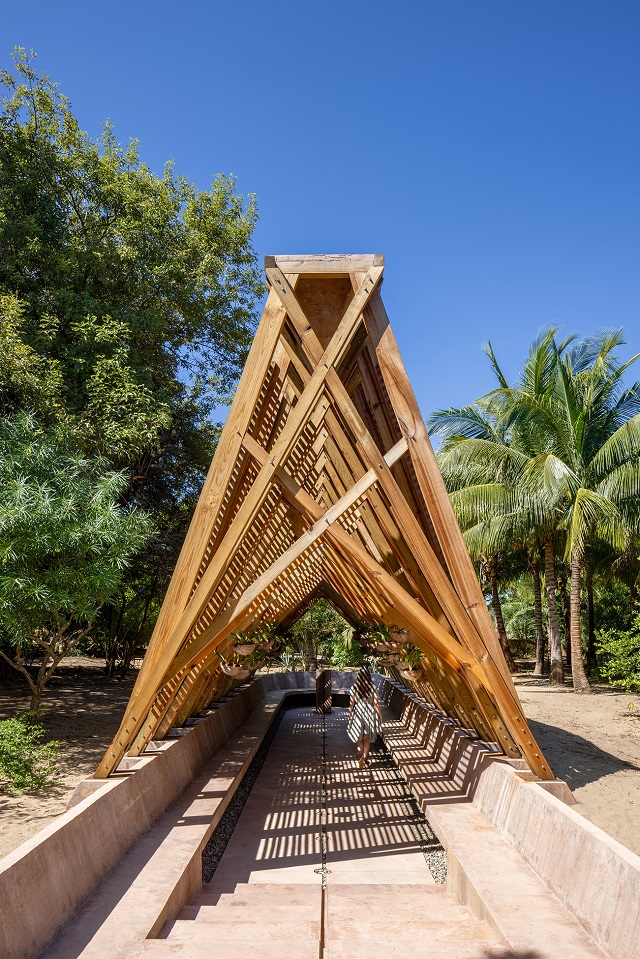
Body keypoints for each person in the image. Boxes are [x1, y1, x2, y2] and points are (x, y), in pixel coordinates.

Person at [347, 665, 383, 768]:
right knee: (367, 738)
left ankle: (360, 755)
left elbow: (352, 703)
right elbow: (376, 703)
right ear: (368, 676)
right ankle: (365, 757)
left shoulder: (354, 687)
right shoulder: (372, 687)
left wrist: (349, 713)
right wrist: (380, 715)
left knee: (359, 738)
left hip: (358, 712)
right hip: (370, 713)